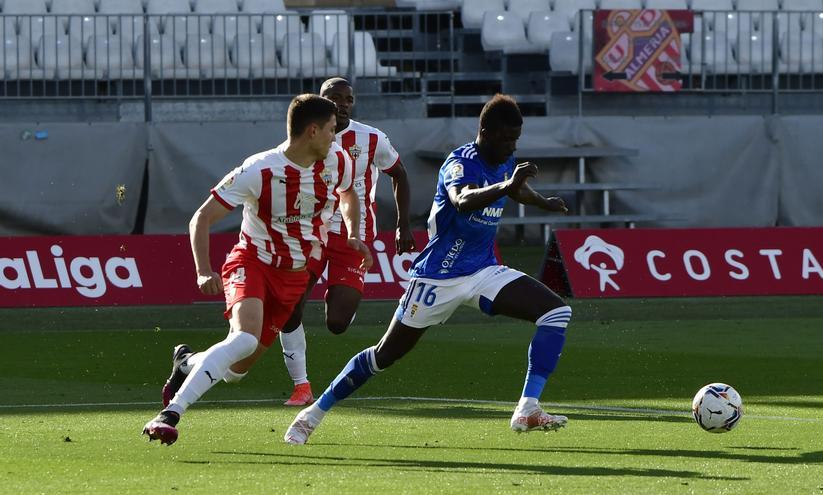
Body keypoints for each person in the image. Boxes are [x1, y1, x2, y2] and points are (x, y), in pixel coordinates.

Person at [283, 94, 573, 445]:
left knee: (555, 312)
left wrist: (543, 202)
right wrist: (508, 186)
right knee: (383, 356)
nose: (512, 146)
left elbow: (516, 189)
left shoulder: (503, 159)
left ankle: (527, 406)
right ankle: (311, 415)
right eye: (507, 138)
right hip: (437, 277)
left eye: (516, 139)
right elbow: (462, 201)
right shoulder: (459, 162)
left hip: (483, 271)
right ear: (486, 132)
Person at [142, 94, 372, 446]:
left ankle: (186, 362)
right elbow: (202, 217)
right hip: (253, 262)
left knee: (235, 371)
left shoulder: (336, 161)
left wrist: (354, 233)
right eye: (330, 129)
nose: (335, 135)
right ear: (312, 131)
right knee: (244, 338)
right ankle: (170, 414)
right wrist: (203, 271)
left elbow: (348, 194)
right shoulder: (260, 170)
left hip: (293, 276)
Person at [277, 77, 416, 407]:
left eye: (348, 99)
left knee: (338, 323)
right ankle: (301, 385)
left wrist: (403, 225)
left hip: (354, 237)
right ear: (320, 100)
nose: (342, 103)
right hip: (309, 233)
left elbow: (400, 174)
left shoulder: (371, 139)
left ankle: (338, 291)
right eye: (334, 97)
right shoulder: (305, 135)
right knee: (290, 306)